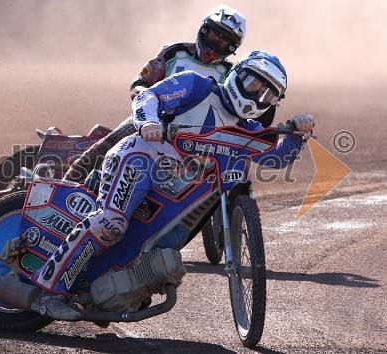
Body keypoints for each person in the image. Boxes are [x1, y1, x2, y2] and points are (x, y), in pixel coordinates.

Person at [29, 50, 315, 320]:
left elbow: (277, 157)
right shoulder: (198, 86)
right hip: (140, 157)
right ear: (237, 74)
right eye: (254, 83)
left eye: (267, 94)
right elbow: (149, 97)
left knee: (147, 249)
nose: (257, 95)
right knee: (111, 222)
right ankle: (47, 291)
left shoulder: (246, 131)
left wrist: (297, 135)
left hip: (172, 191)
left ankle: (98, 292)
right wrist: (148, 123)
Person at [63, 4, 251, 183]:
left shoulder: (230, 74)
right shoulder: (174, 52)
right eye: (212, 37)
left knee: (211, 176)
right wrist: (147, 106)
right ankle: (64, 186)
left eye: (222, 43)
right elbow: (139, 84)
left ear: (232, 49)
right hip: (154, 121)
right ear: (203, 30)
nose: (213, 47)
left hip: (198, 138)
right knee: (106, 146)